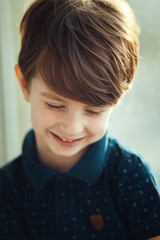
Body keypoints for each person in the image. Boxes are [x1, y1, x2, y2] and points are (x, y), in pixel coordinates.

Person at [0, 0, 160, 239]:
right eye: (55, 105)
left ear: (116, 102)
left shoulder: (132, 177)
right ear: (24, 84)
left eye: (94, 111)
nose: (72, 127)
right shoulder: (8, 188)